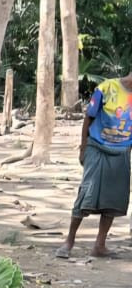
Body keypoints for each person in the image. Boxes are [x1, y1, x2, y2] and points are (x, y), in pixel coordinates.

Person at [55, 73, 132, 259]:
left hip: (121, 151)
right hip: (97, 147)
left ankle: (100, 245)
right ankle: (69, 241)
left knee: (114, 199)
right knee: (86, 194)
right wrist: (83, 148)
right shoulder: (107, 88)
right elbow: (88, 118)